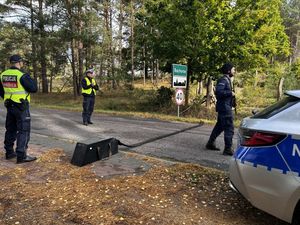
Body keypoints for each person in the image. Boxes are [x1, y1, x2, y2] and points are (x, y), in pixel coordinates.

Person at [0, 54, 38, 163]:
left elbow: (1, 90)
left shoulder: (3, 75)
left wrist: (8, 98)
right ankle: (22, 155)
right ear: (20, 62)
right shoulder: (22, 75)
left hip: (9, 105)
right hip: (21, 107)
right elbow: (34, 88)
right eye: (22, 62)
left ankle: (9, 152)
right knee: (24, 130)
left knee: (10, 129)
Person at [206, 62, 236, 156]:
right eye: (233, 69)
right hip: (225, 108)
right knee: (229, 127)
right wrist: (230, 93)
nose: (234, 71)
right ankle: (228, 149)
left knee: (220, 126)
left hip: (225, 107)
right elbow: (219, 92)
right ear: (228, 70)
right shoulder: (224, 80)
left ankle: (210, 143)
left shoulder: (227, 79)